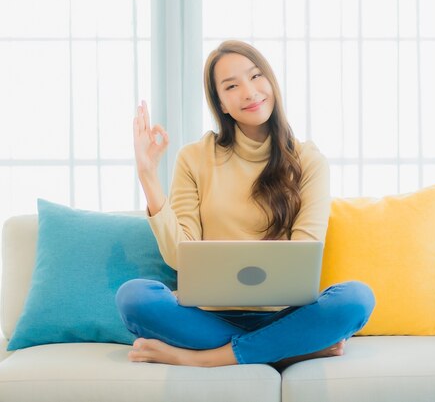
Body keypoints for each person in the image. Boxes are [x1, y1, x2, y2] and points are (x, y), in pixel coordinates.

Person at [115, 40, 375, 369]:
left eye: (255, 77)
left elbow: (305, 252)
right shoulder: (195, 158)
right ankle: (292, 350)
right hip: (211, 318)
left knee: (356, 299)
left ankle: (204, 360)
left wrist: (194, 358)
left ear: (271, 81)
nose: (249, 93)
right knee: (134, 297)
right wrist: (148, 175)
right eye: (232, 86)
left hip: (287, 314)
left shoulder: (308, 160)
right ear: (221, 103)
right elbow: (180, 255)